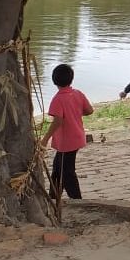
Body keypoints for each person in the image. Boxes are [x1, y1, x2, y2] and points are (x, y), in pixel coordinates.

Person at [42, 64, 93, 200]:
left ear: (54, 80)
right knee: (58, 169)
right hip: (77, 137)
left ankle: (78, 201)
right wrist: (75, 113)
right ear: (71, 79)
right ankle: (53, 197)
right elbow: (89, 110)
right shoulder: (78, 94)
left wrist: (45, 139)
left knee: (67, 173)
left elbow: (57, 121)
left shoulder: (58, 99)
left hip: (66, 142)